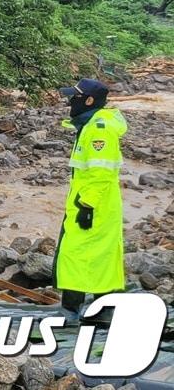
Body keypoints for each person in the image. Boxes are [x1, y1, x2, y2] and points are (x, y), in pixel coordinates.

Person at [54, 78, 127, 317]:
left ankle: (76, 311)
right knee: (93, 255)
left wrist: (87, 204)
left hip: (93, 205)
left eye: (74, 97)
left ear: (88, 100)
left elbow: (101, 173)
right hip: (92, 203)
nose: (69, 102)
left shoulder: (98, 130)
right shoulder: (90, 125)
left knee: (77, 254)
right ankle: (95, 310)